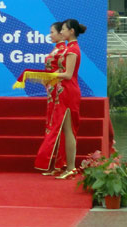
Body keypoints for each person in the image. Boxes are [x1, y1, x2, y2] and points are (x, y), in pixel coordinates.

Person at [35, 19, 85, 179]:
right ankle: (61, 165)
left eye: (63, 29)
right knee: (62, 130)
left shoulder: (73, 49)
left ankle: (71, 167)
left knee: (68, 130)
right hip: (62, 91)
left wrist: (49, 75)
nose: (61, 32)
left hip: (69, 91)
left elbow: (69, 74)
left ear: (71, 31)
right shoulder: (68, 48)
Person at [34, 21, 68, 175]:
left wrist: (48, 78)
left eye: (53, 32)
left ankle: (60, 164)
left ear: (61, 33)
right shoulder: (57, 50)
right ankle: (55, 164)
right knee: (52, 125)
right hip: (52, 91)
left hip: (59, 92)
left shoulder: (65, 51)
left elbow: (64, 72)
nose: (50, 35)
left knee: (57, 126)